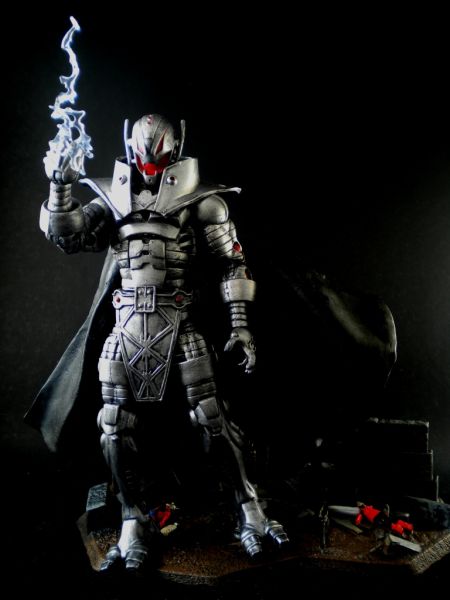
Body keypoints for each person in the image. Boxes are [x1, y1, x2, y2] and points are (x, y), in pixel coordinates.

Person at [31, 114, 288, 572]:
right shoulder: (111, 199)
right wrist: (60, 186)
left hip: (180, 322)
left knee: (211, 420)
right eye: (143, 160)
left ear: (176, 152)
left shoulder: (202, 203)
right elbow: (69, 236)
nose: (150, 170)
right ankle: (134, 518)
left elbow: (232, 265)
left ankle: (249, 506)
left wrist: (240, 326)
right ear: (131, 152)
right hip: (126, 328)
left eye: (159, 160)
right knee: (114, 427)